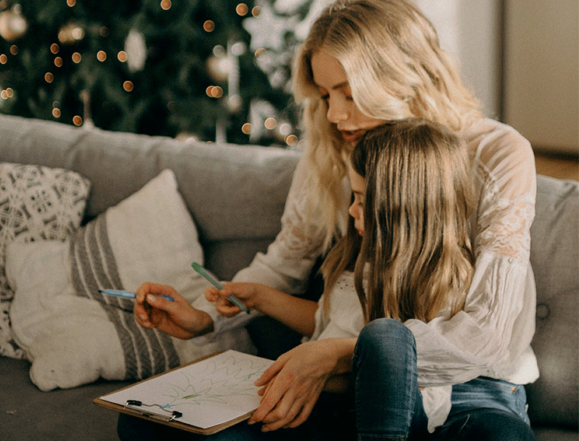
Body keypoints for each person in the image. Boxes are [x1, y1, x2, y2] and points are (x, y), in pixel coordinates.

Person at [121, 0, 539, 439]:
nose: (336, 115)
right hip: (344, 380)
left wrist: (341, 354)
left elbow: (486, 335)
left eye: (349, 92)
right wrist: (206, 317)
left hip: (471, 386)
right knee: (149, 425)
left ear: (402, 76)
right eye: (325, 96)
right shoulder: (338, 150)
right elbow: (286, 260)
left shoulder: (496, 154)